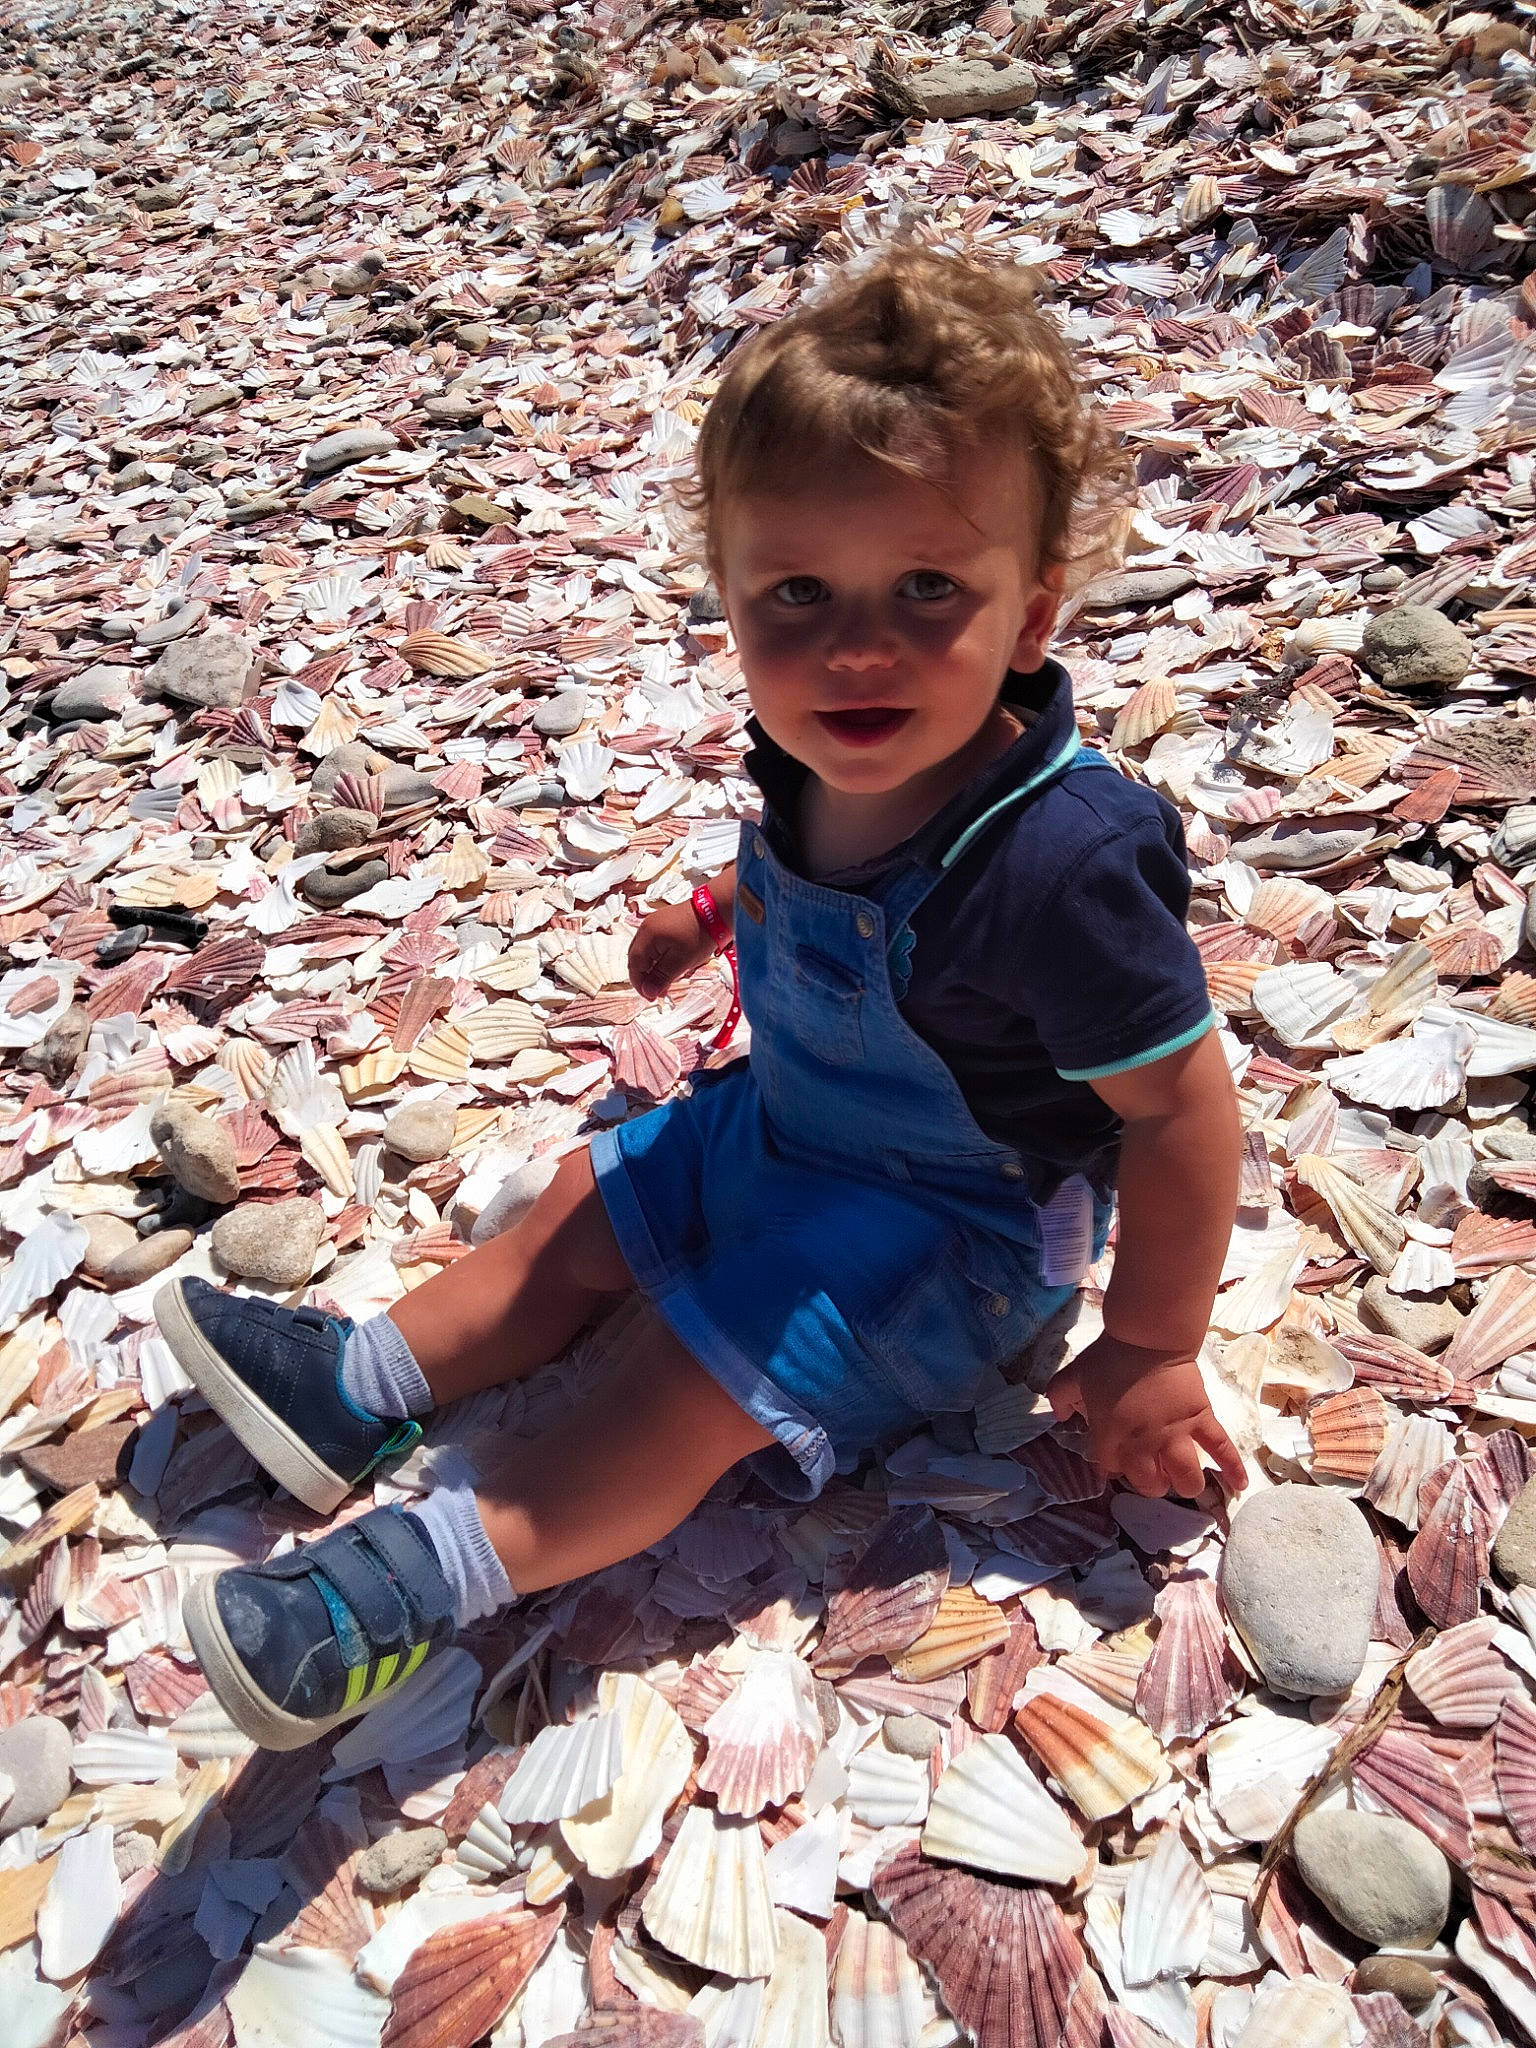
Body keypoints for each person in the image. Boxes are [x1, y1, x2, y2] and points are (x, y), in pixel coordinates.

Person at [154, 244, 1244, 1750]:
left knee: (679, 1374)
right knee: (581, 1212)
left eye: (929, 587)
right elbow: (827, 873)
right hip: (789, 1129)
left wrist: (1151, 1348)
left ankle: (422, 1579)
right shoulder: (827, 744)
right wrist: (714, 916)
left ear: (1034, 615)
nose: (856, 643)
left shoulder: (1062, 858)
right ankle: (361, 1384)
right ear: (727, 594)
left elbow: (1182, 1108)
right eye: (797, 591)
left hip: (957, 1231)